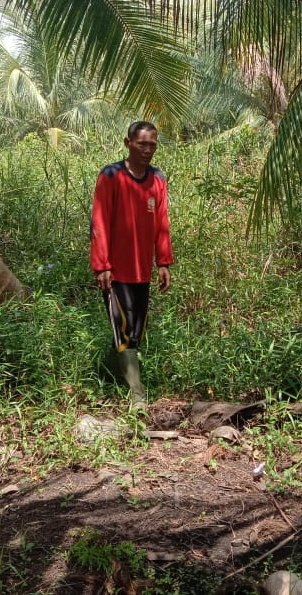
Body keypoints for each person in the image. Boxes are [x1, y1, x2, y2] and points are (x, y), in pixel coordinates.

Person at [90, 121, 174, 407]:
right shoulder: (111, 175)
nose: (148, 150)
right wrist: (102, 265)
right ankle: (137, 395)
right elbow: (99, 221)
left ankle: (124, 381)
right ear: (128, 143)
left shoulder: (157, 179)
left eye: (152, 144)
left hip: (143, 271)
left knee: (136, 330)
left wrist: (163, 262)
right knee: (122, 329)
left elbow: (161, 221)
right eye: (142, 144)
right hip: (116, 271)